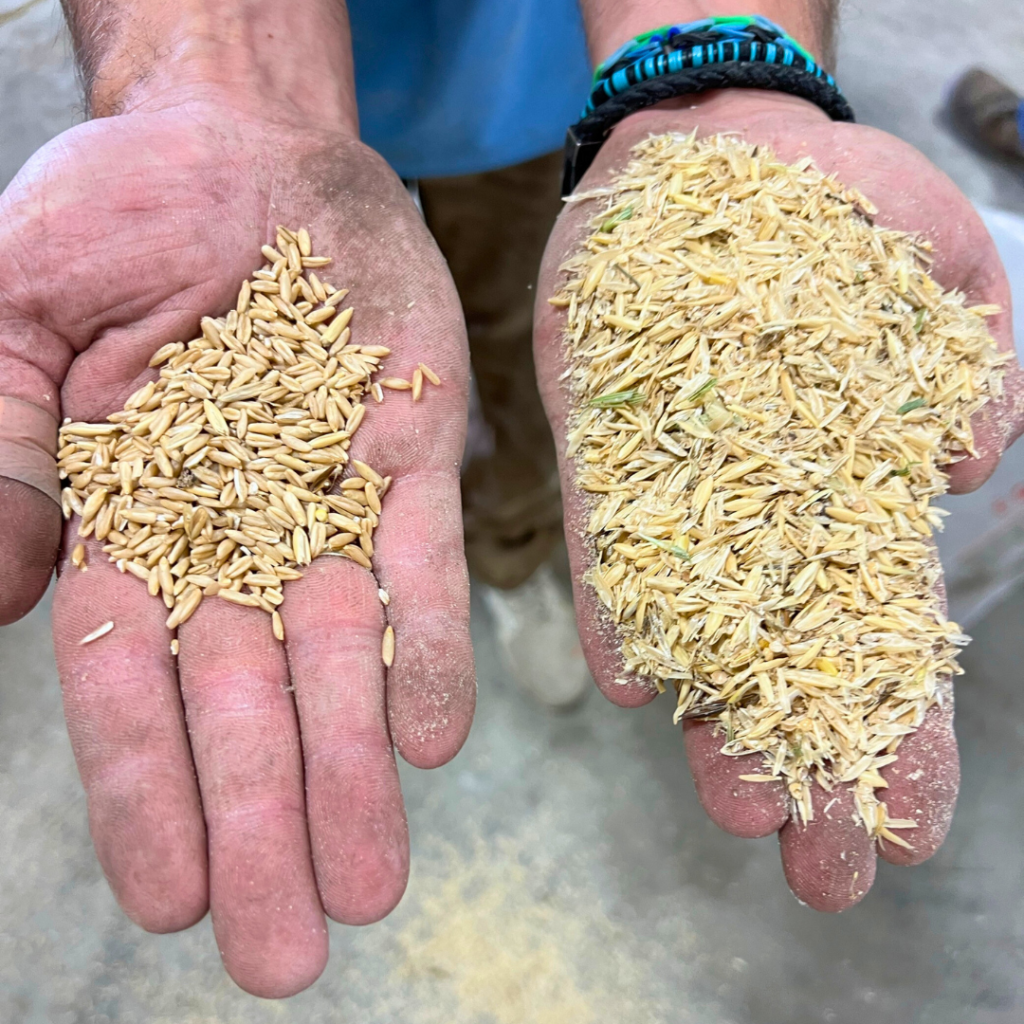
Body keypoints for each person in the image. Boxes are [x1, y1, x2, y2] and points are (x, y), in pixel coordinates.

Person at [0, 0, 1019, 999]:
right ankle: (498, 538)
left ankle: (515, 546)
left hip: (539, 92)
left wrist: (719, 45)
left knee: (521, 347)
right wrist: (206, 61)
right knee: (418, 399)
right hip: (258, 88)